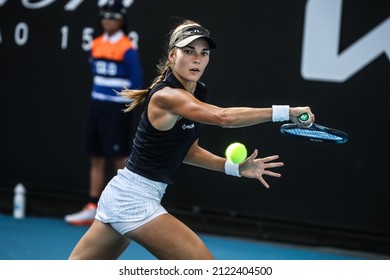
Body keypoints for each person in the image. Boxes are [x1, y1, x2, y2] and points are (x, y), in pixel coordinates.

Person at [68, 19, 314, 259]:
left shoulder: (194, 93)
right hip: (133, 200)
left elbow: (189, 151)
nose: (197, 58)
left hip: (124, 195)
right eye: (189, 51)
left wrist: (234, 168)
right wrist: (285, 112)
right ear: (172, 56)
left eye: (204, 53)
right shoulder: (168, 96)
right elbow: (223, 117)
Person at [64, 1, 143, 226]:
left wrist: (126, 108)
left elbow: (136, 83)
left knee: (119, 158)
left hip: (116, 109)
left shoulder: (127, 48)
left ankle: (127, 206)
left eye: (113, 17)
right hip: (97, 106)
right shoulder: (96, 44)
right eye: (104, 17)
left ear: (122, 21)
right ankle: (92, 206)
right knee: (96, 156)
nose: (107, 21)